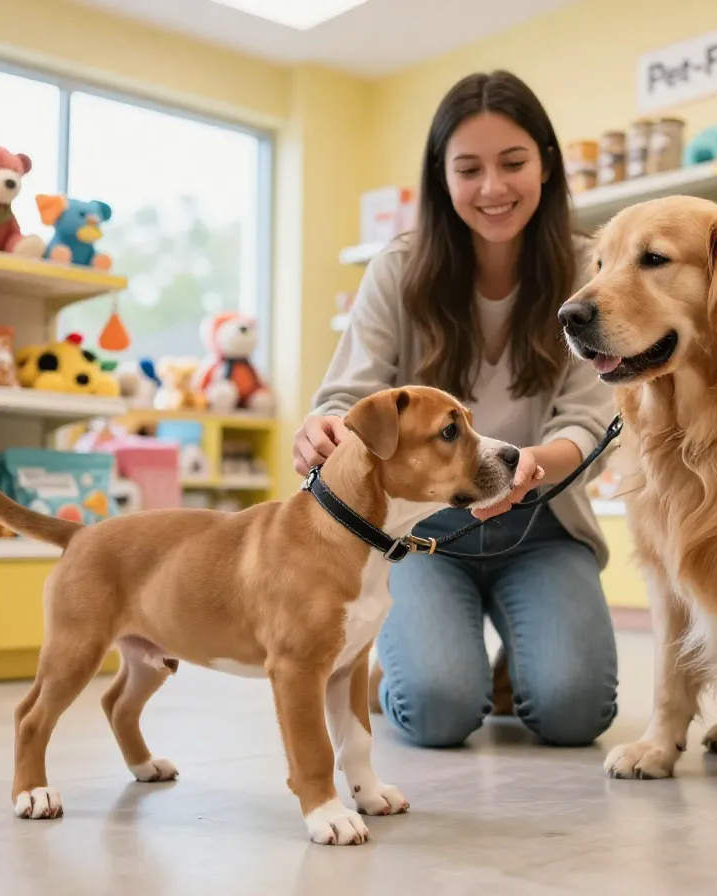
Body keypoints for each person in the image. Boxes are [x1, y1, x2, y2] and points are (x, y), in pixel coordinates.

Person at [293, 70, 618, 748]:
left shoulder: (594, 271)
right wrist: (321, 429)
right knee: (437, 711)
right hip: (422, 534)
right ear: (441, 178)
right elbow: (345, 397)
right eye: (468, 168)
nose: (493, 188)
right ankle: (420, 664)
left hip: (542, 527)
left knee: (574, 713)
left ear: (547, 165)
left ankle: (509, 664)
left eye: (513, 163)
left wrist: (530, 466)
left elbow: (588, 422)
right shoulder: (398, 270)